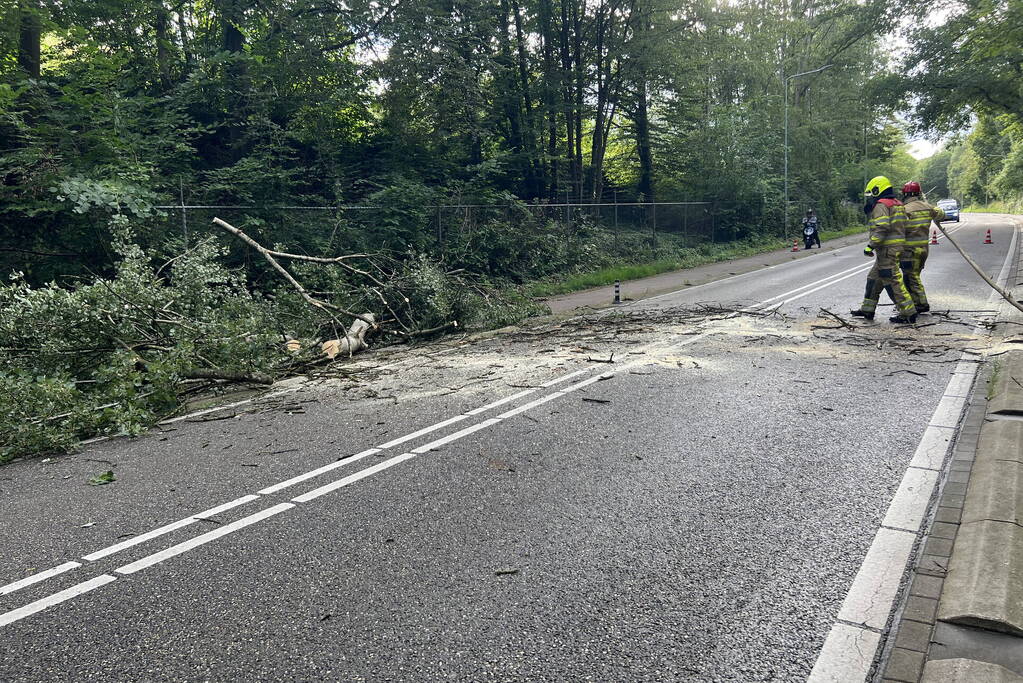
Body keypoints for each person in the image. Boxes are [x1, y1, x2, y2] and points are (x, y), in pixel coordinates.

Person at [850, 176, 918, 324]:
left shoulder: (881, 205)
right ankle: (867, 310)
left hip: (887, 250)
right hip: (893, 249)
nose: (870, 198)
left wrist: (871, 246)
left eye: (871, 194)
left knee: (892, 281)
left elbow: (882, 227)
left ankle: (908, 313)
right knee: (873, 279)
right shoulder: (898, 204)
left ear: (877, 190)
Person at [899, 181, 945, 313]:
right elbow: (942, 215)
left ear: (905, 194)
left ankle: (921, 304)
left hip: (909, 251)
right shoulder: (927, 207)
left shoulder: (904, 209)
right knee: (912, 277)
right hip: (923, 250)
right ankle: (913, 302)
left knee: (912, 278)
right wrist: (933, 208)